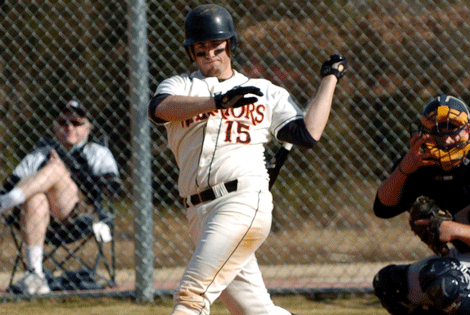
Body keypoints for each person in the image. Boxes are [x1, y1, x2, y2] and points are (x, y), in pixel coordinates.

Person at [148, 4, 346, 315]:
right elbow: (159, 109)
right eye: (201, 49)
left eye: (217, 45)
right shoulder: (180, 87)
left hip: (240, 201)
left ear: (230, 44)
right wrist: (215, 103)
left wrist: (329, 80)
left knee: (191, 297)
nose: (210, 53)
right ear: (191, 52)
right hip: (198, 211)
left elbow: (308, 134)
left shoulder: (264, 91)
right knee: (255, 311)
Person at [0, 99, 120, 295]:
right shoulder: (40, 154)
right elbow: (7, 185)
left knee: (55, 168)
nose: (69, 127)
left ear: (88, 129)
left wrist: (67, 170)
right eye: (63, 123)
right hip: (40, 217)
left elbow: (111, 187)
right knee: (34, 197)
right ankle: (36, 274)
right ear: (55, 128)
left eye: (76, 123)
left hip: (79, 213)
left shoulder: (97, 152)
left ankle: (4, 205)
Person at [373, 95, 470, 314]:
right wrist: (406, 168)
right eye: (437, 129)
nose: (445, 138)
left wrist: (455, 230)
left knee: (445, 282)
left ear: (468, 131)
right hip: (464, 258)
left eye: (451, 128)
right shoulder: (423, 163)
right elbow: (382, 207)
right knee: (391, 284)